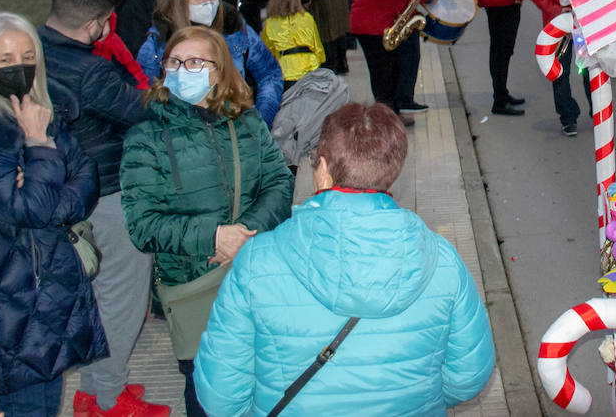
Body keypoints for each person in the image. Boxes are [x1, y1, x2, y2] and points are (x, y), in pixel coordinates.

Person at [193, 102, 494, 415]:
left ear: (323, 170)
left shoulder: (257, 261)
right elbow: (468, 377)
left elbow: (221, 396)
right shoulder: (442, 261)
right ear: (393, 171)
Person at [120, 25, 293, 417]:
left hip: (252, 277)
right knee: (205, 392)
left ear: (220, 71)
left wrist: (244, 234)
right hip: (195, 286)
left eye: (195, 61)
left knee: (263, 384)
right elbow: (142, 224)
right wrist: (214, 237)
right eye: (174, 62)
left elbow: (280, 183)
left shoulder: (247, 123)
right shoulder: (145, 137)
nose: (183, 70)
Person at [0, 13, 106, 416]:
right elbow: (24, 208)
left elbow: (86, 180)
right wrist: (40, 146)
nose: (19, 67)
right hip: (5, 307)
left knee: (46, 404)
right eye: (5, 58)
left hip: (45, 294)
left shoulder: (43, 110)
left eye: (28, 56)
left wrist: (39, 178)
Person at [37, 0, 167, 417]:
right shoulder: (90, 71)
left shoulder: (32, 50)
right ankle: (109, 400)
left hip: (64, 191)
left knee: (97, 300)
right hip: (108, 191)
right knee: (122, 300)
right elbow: (143, 111)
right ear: (96, 23)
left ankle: (95, 389)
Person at [136, 0, 284, 127]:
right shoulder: (158, 42)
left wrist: (260, 122)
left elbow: (270, 74)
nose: (208, 3)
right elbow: (145, 98)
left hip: (235, 132)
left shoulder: (234, 28)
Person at [527, 0, 601, 136]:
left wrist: (555, 10)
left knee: (559, 72)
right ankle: (598, 111)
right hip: (587, 24)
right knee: (592, 69)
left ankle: (568, 119)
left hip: (556, 28)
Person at [348, 0, 423, 127]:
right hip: (371, 24)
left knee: (392, 68)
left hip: (383, 21)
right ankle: (385, 116)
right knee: (383, 72)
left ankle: (391, 113)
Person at [261, 0, 325, 88]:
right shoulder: (307, 18)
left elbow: (267, 54)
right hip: (309, 69)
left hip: (284, 71)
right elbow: (318, 49)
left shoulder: (270, 23)